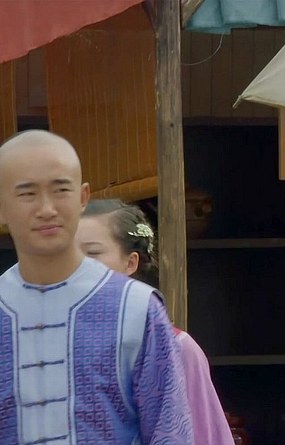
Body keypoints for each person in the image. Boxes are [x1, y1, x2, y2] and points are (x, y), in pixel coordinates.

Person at [0, 130, 193, 444]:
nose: (46, 208)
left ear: (82, 197)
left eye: (60, 190)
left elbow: (169, 431)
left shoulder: (136, 308)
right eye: (27, 194)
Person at [77, 198, 236, 445]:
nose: (76, 265)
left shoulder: (177, 347)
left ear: (130, 262)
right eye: (68, 254)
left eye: (92, 253)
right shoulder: (46, 340)